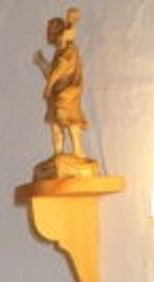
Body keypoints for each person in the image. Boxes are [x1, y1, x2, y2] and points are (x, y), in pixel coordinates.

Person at [35, 7, 89, 164]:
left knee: (70, 118)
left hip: (68, 92)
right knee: (55, 122)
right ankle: (58, 153)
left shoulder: (69, 49)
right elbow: (52, 74)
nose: (48, 35)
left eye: (50, 32)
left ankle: (78, 151)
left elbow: (59, 70)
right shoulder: (59, 51)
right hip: (57, 93)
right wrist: (41, 63)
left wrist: (48, 86)